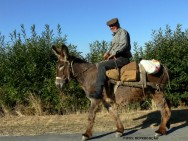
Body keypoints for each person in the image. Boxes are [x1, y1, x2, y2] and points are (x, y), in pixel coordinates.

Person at [90, 18, 132, 99]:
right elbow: (115, 48)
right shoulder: (116, 35)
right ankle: (107, 91)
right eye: (110, 26)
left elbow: (124, 45)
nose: (111, 28)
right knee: (97, 65)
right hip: (116, 58)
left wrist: (113, 54)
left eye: (112, 26)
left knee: (102, 66)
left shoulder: (123, 32)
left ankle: (98, 92)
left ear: (117, 24)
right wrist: (108, 53)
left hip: (122, 59)